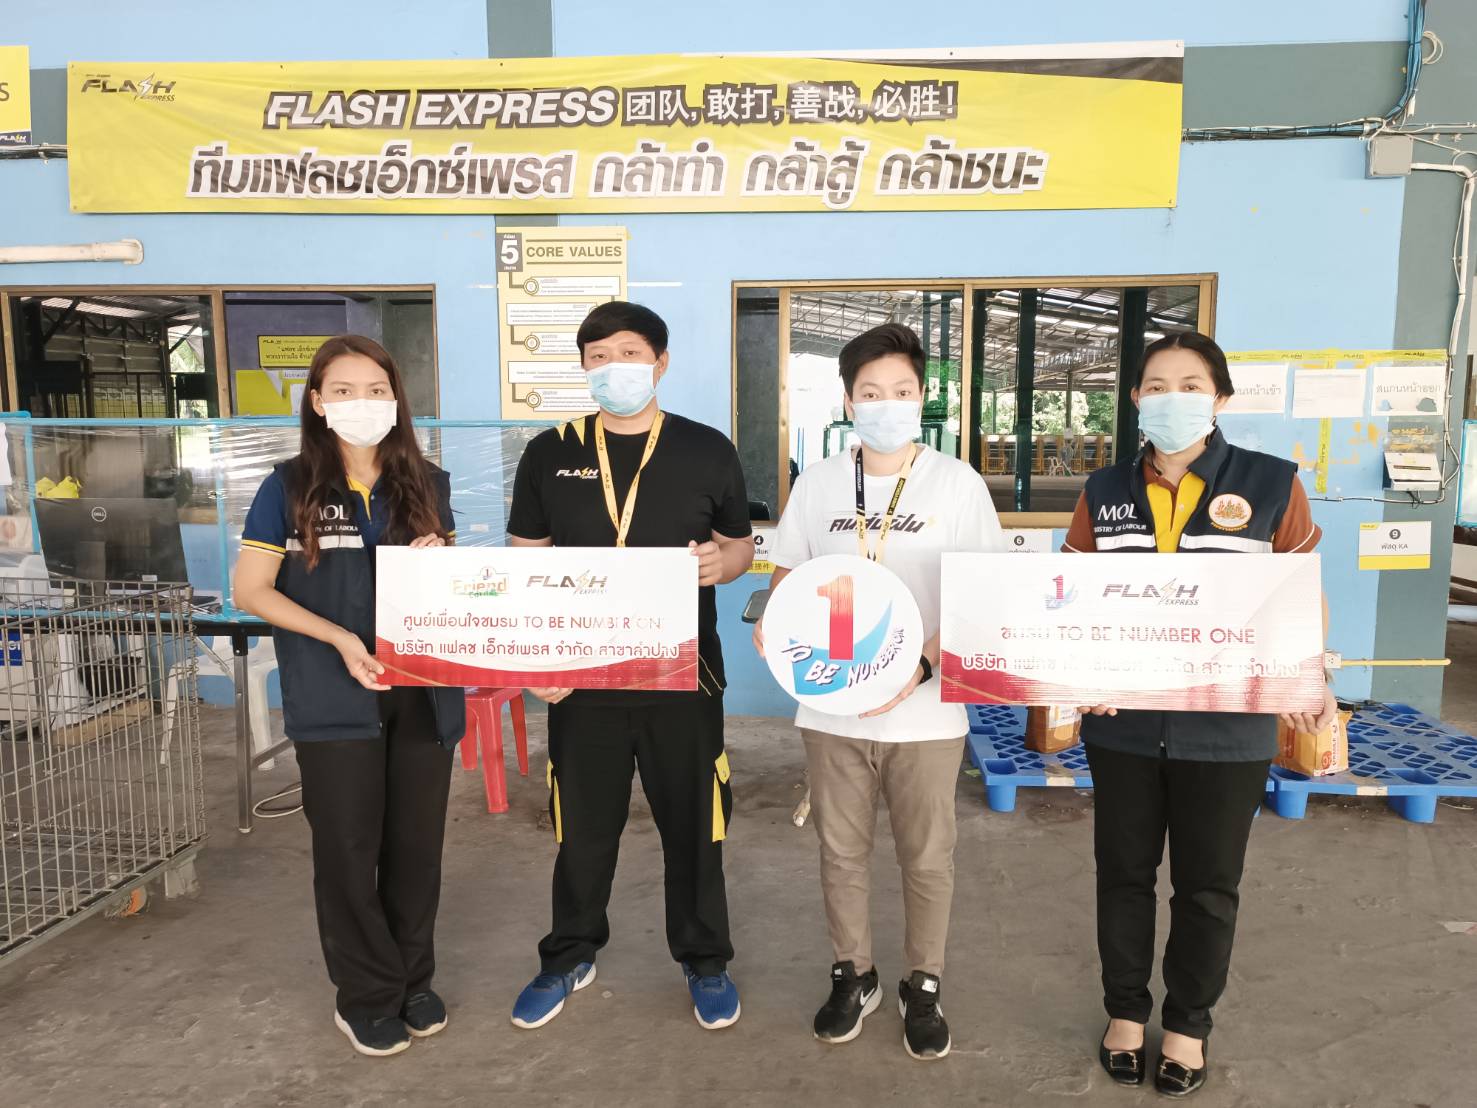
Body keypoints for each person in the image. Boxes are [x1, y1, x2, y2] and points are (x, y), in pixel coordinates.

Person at [1062, 331, 1334, 1097]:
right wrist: (1074, 670)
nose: (1171, 398)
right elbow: (1071, 597)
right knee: (1122, 875)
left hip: (1228, 727)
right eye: (1156, 385)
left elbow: (1299, 591)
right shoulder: (1102, 490)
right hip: (1122, 721)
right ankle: (1124, 1013)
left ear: (1219, 399)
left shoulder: (1270, 483)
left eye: (1189, 385)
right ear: (1134, 399)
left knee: (1209, 886)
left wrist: (1310, 676)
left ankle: (1186, 1024)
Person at [758, 323, 1005, 1061]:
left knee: (926, 857)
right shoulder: (819, 483)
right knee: (840, 850)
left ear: (922, 398)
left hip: (925, 711)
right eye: (870, 393)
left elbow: (981, 594)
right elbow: (789, 576)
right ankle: (853, 974)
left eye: (901, 391)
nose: (886, 404)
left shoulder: (956, 484)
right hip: (831, 704)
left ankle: (922, 984)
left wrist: (918, 670)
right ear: (847, 401)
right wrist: (776, 624)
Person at [506, 301, 755, 1032]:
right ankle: (569, 954)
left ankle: (705, 960)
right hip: (582, 679)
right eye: (597, 357)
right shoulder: (548, 451)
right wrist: (538, 658)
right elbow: (527, 564)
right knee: (582, 829)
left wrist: (721, 563)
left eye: (629, 353)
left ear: (660, 363)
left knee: (695, 825)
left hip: (684, 676)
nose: (614, 368)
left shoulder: (706, 449)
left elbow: (740, 545)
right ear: (583, 368)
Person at [233, 335, 465, 1058]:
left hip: (421, 693)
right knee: (348, 847)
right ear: (316, 401)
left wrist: (443, 564)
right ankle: (365, 995)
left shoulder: (428, 483)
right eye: (342, 390)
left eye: (375, 389)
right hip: (333, 694)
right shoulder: (288, 487)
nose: (360, 402)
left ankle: (412, 980)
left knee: (415, 848)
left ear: (395, 399)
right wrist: (338, 639)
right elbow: (251, 590)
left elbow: (454, 589)